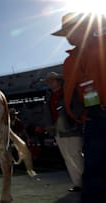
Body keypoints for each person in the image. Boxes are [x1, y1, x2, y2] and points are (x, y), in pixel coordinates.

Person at [52, 12, 106, 201]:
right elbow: (72, 92)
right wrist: (79, 112)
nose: (67, 36)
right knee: (93, 172)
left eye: (70, 30)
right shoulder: (69, 62)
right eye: (65, 32)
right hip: (94, 118)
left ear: (87, 28)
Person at [44, 71, 83, 192]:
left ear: (58, 81)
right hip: (58, 130)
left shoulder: (69, 91)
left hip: (71, 128)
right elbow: (48, 114)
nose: (50, 83)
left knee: (76, 155)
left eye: (52, 80)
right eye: (48, 81)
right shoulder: (49, 96)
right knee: (67, 157)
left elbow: (77, 107)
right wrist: (49, 125)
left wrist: (72, 121)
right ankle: (77, 183)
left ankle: (87, 180)